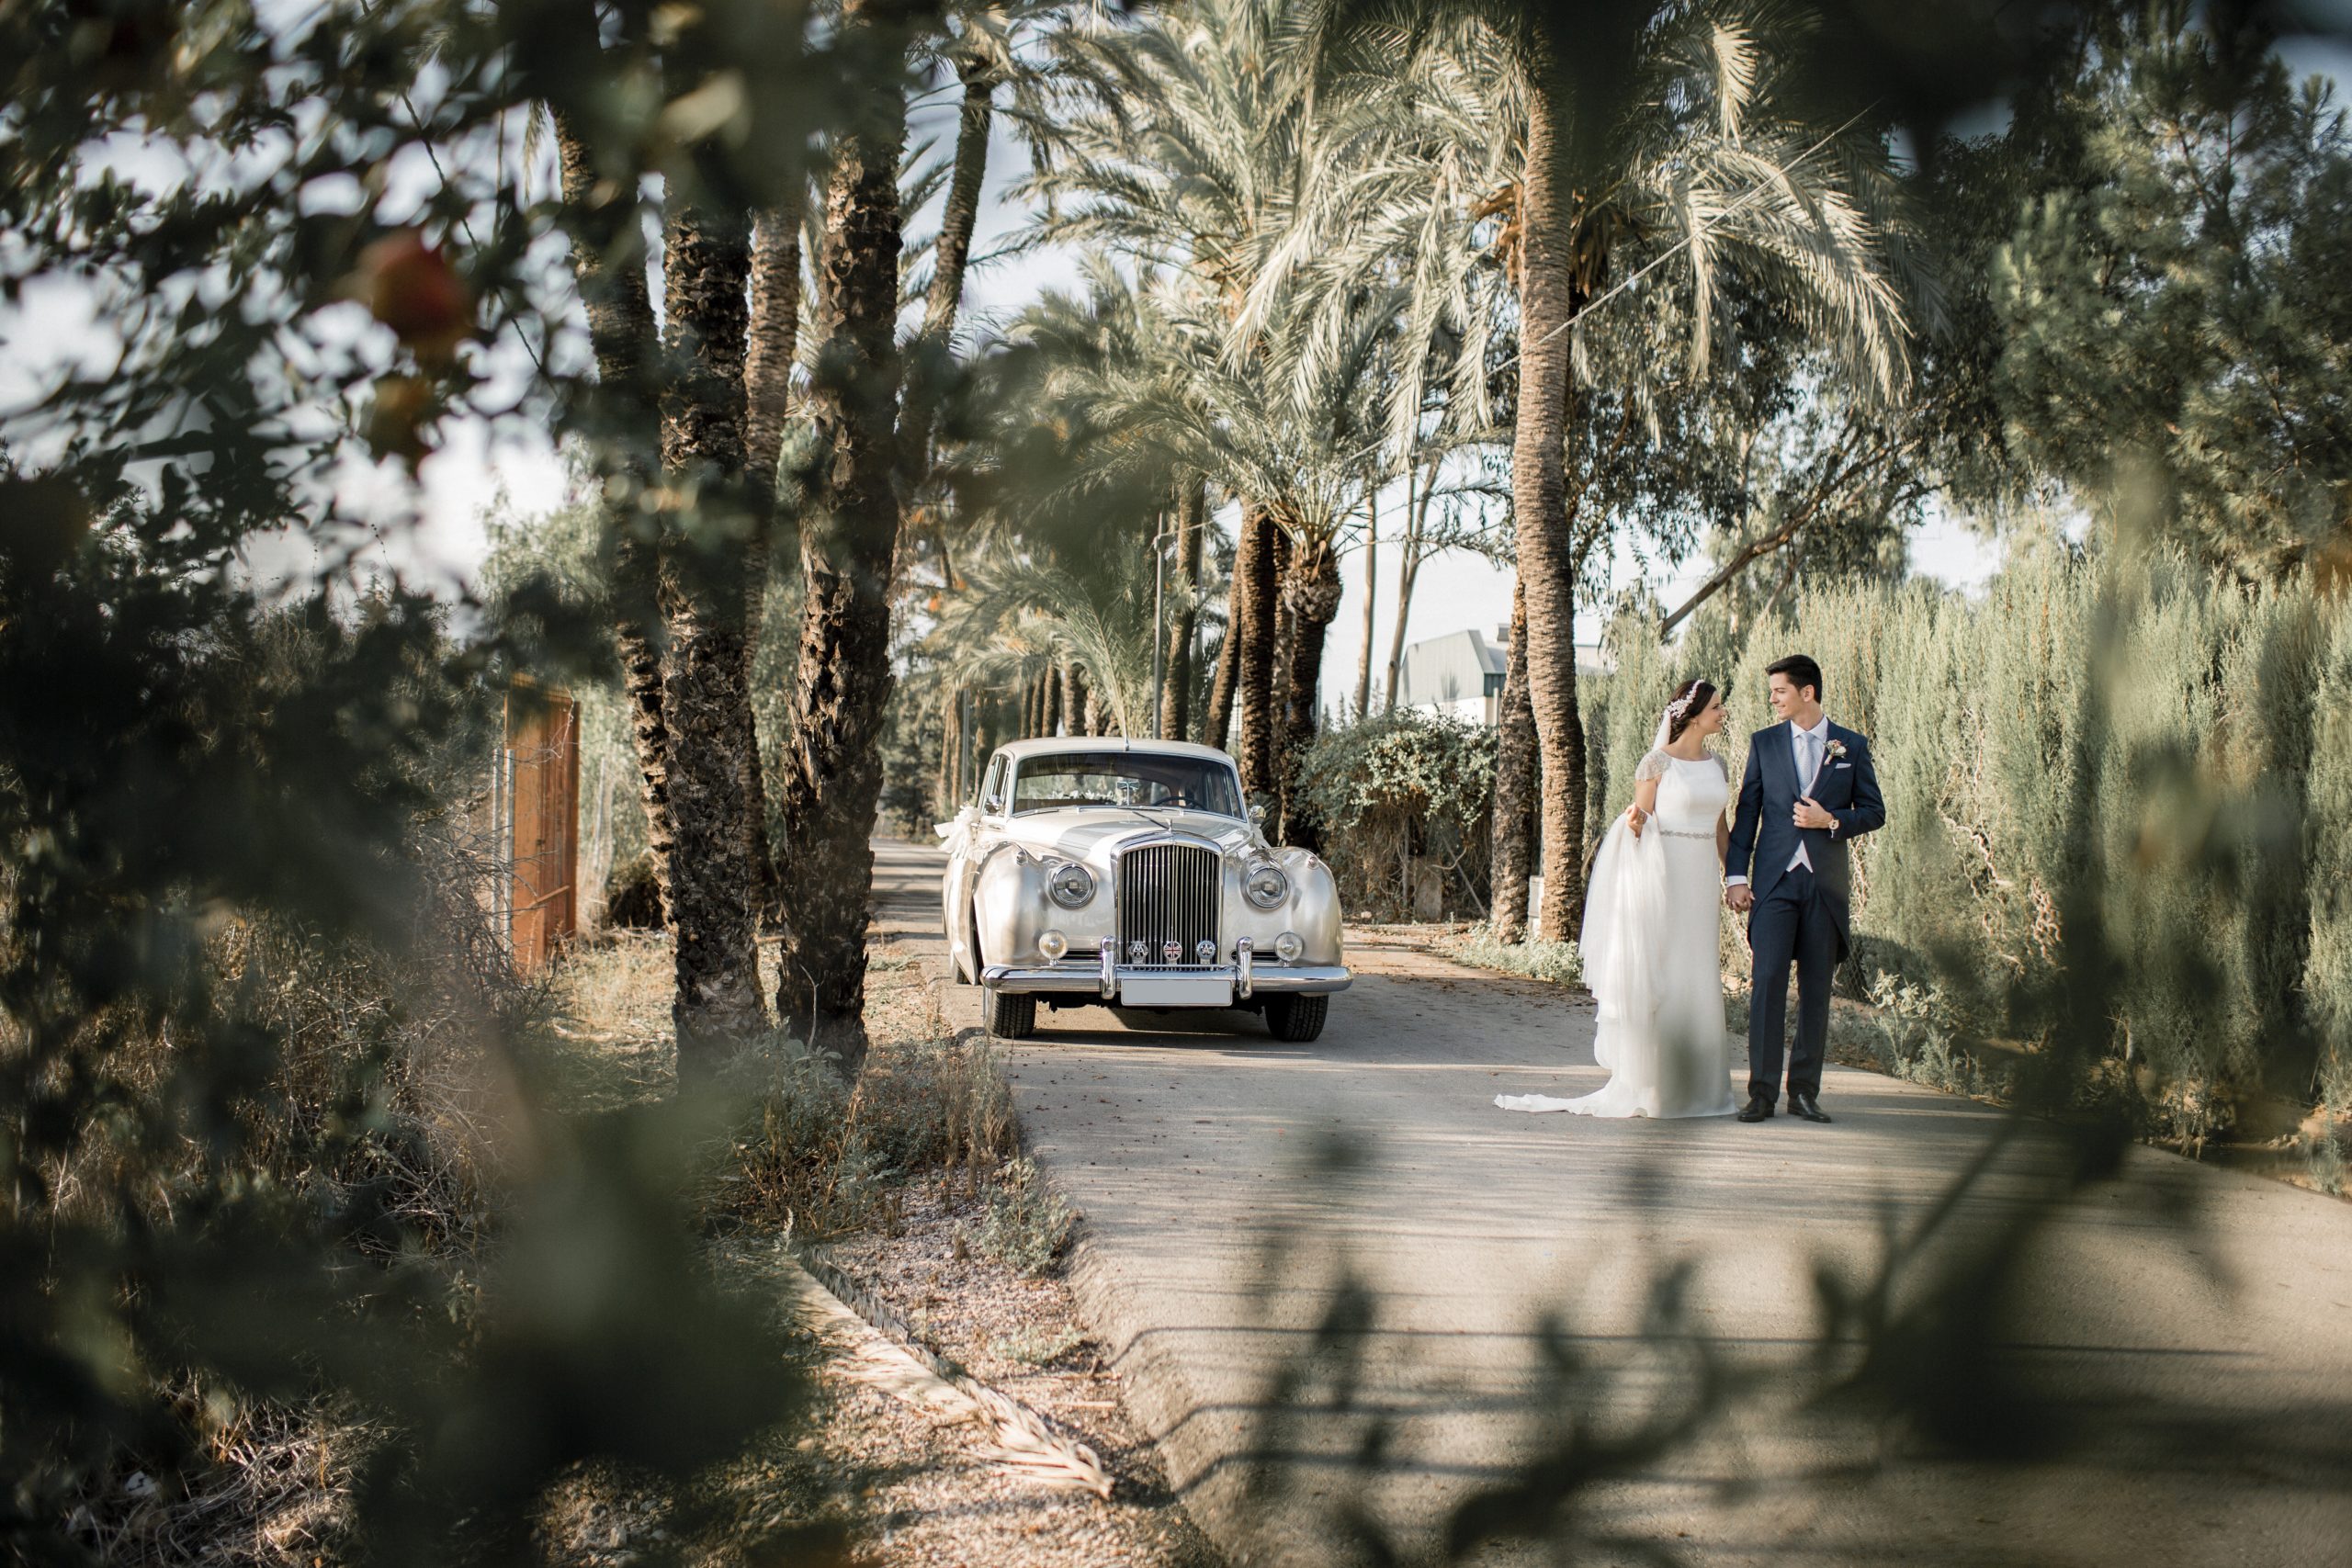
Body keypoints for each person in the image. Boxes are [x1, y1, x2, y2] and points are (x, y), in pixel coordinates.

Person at [1496, 679, 1739, 1120]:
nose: (1723, 713)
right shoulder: (1656, 764)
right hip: (1666, 879)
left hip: (1702, 881)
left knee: (1699, 971)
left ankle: (1705, 1088)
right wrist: (1632, 829)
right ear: (1696, 713)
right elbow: (1639, 822)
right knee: (1666, 973)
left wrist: (1736, 876)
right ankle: (1659, 1086)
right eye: (1718, 707)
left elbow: (1721, 830)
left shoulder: (1718, 764)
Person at [1723, 654, 1885, 1124]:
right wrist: (1737, 876)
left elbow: (1874, 811)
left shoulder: (1850, 746)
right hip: (1774, 882)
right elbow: (1748, 813)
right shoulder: (1765, 743)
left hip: (1824, 886)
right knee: (1768, 981)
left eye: (1780, 691)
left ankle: (1805, 1094)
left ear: (1807, 692)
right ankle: (1761, 1093)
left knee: (1816, 990)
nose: (1772, 698)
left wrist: (1831, 820)